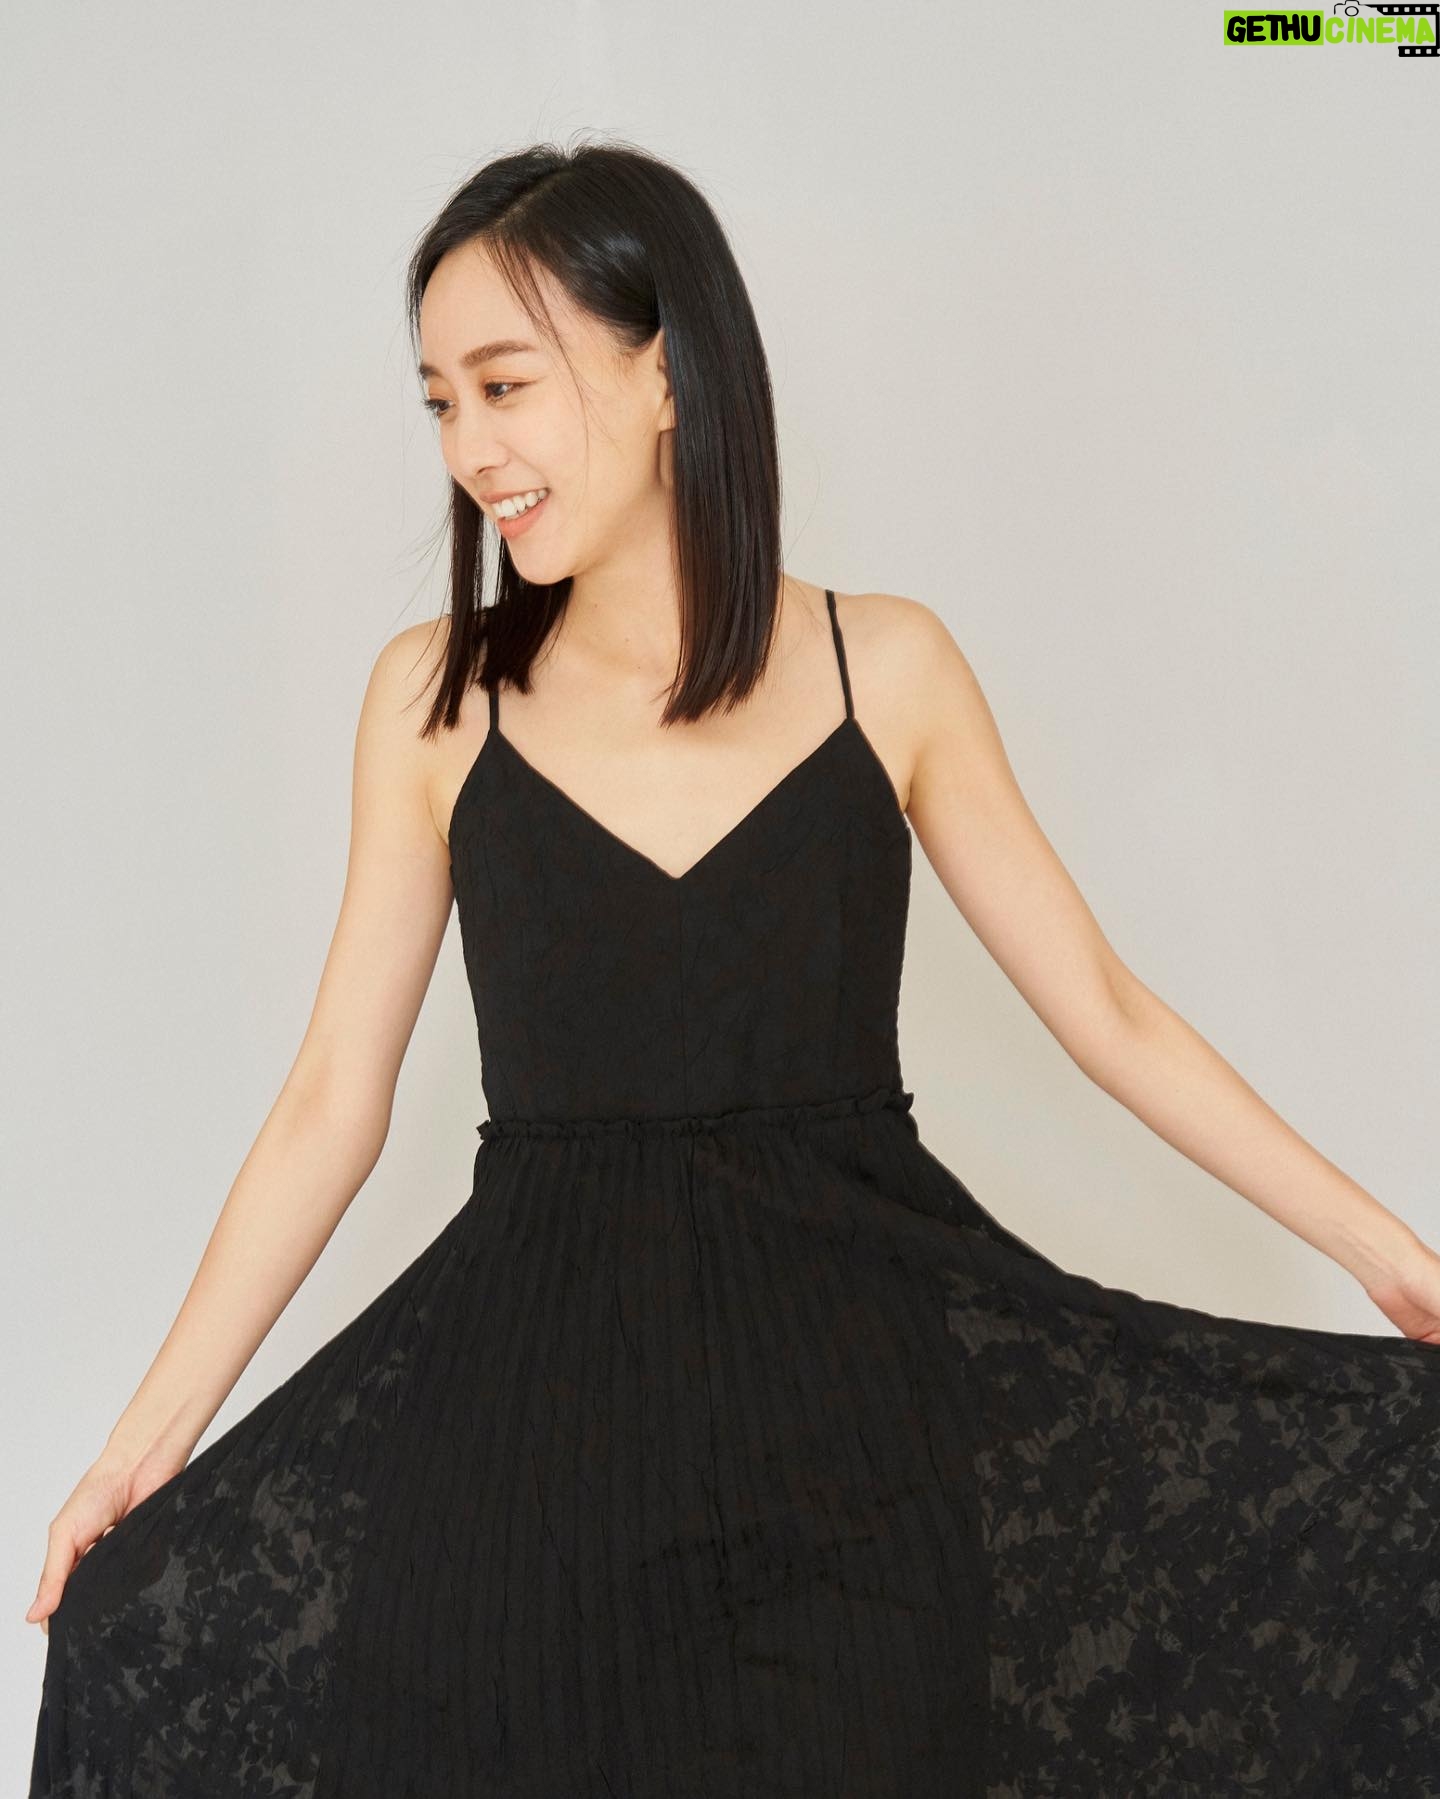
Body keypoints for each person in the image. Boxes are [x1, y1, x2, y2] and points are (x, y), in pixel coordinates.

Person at [27, 137, 1440, 1797]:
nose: (471, 450)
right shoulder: (433, 703)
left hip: (858, 1459)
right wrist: (140, 1450)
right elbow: (331, 1102)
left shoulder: (886, 667)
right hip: (529, 1461)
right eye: (440, 403)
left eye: (506, 386)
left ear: (666, 372)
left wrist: (1392, 1257)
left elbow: (1110, 1017)